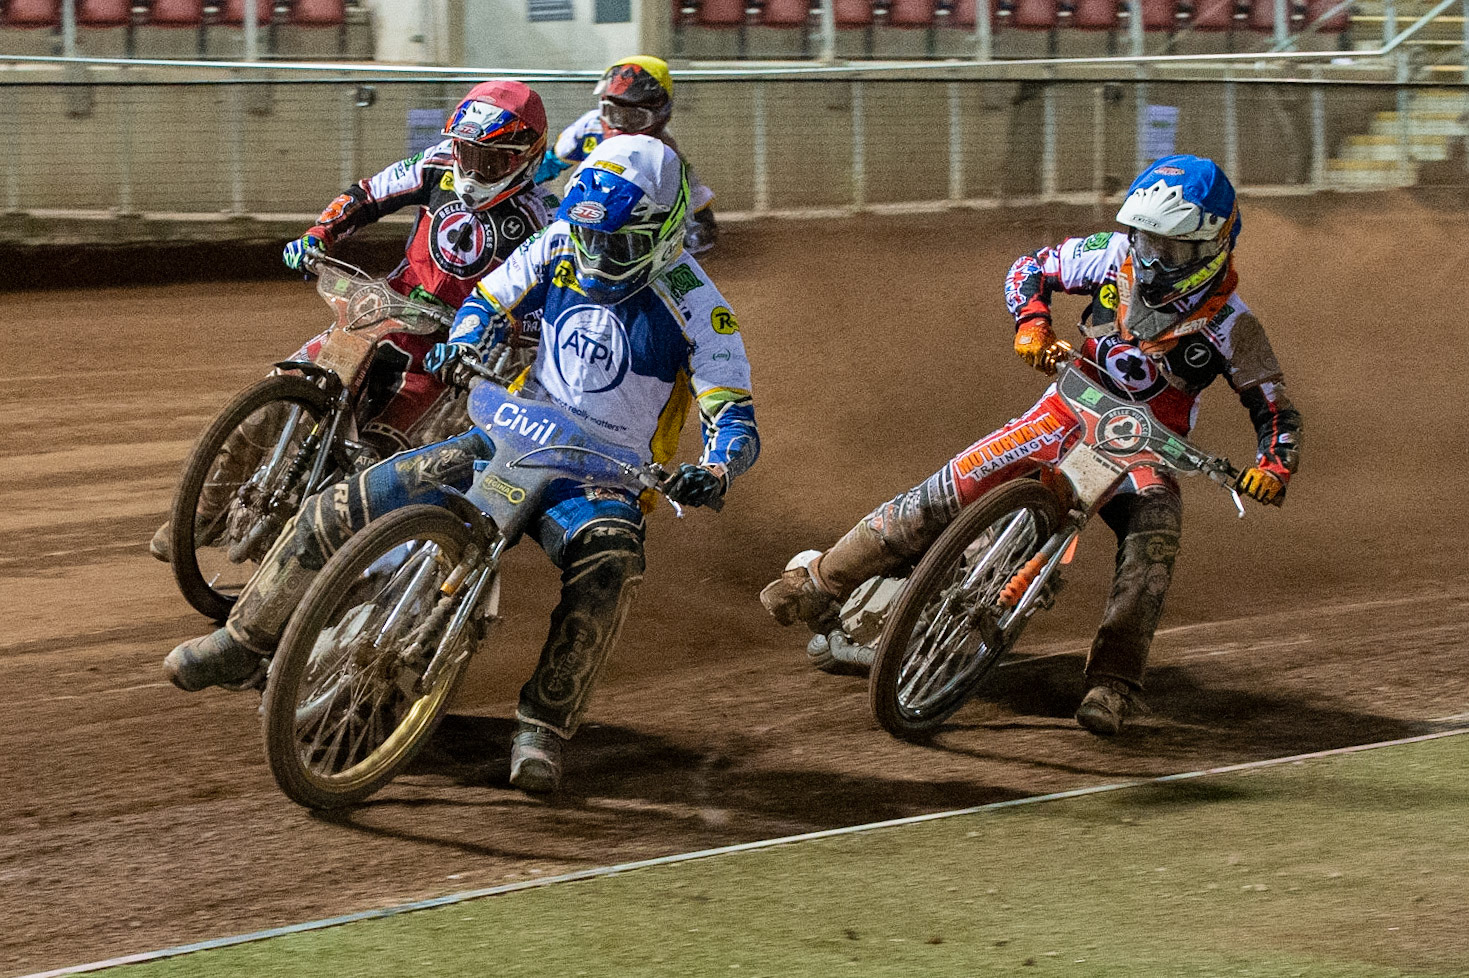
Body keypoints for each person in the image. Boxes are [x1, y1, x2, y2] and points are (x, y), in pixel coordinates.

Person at [162, 134, 760, 793]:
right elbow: (488, 299)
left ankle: (542, 726)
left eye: (615, 242)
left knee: (610, 562)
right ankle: (242, 641)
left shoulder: (699, 307)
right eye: (589, 237)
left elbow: (730, 410)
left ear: (664, 231)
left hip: (600, 475)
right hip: (510, 428)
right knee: (340, 504)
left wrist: (717, 467)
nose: (594, 254)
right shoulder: (561, 240)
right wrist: (467, 340)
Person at [759, 154, 1302, 737]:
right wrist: (1032, 322)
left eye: (1170, 248)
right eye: (1144, 239)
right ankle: (818, 581)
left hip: (1144, 450)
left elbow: (1275, 409)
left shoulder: (1235, 325)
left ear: (1214, 245)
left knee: (1155, 543)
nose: (1151, 257)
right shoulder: (1112, 256)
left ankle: (1114, 685)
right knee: (948, 488)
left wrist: (1273, 466)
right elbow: (1030, 269)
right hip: (1064, 410)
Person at [149, 80, 554, 562]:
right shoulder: (435, 166)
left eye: (492, 160)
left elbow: (548, 307)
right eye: (467, 152)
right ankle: (201, 514)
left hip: (449, 349)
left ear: (525, 157)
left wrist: (503, 330)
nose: (474, 168)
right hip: (387, 308)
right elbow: (366, 195)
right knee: (285, 385)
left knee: (383, 455)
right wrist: (319, 235)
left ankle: (323, 567)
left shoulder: (541, 219)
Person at [534, 55, 720, 254]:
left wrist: (696, 225)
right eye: (612, 113)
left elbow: (690, 197)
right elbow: (548, 164)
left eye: (634, 118)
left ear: (660, 117)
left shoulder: (664, 152)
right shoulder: (589, 127)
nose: (619, 126)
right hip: (584, 215)